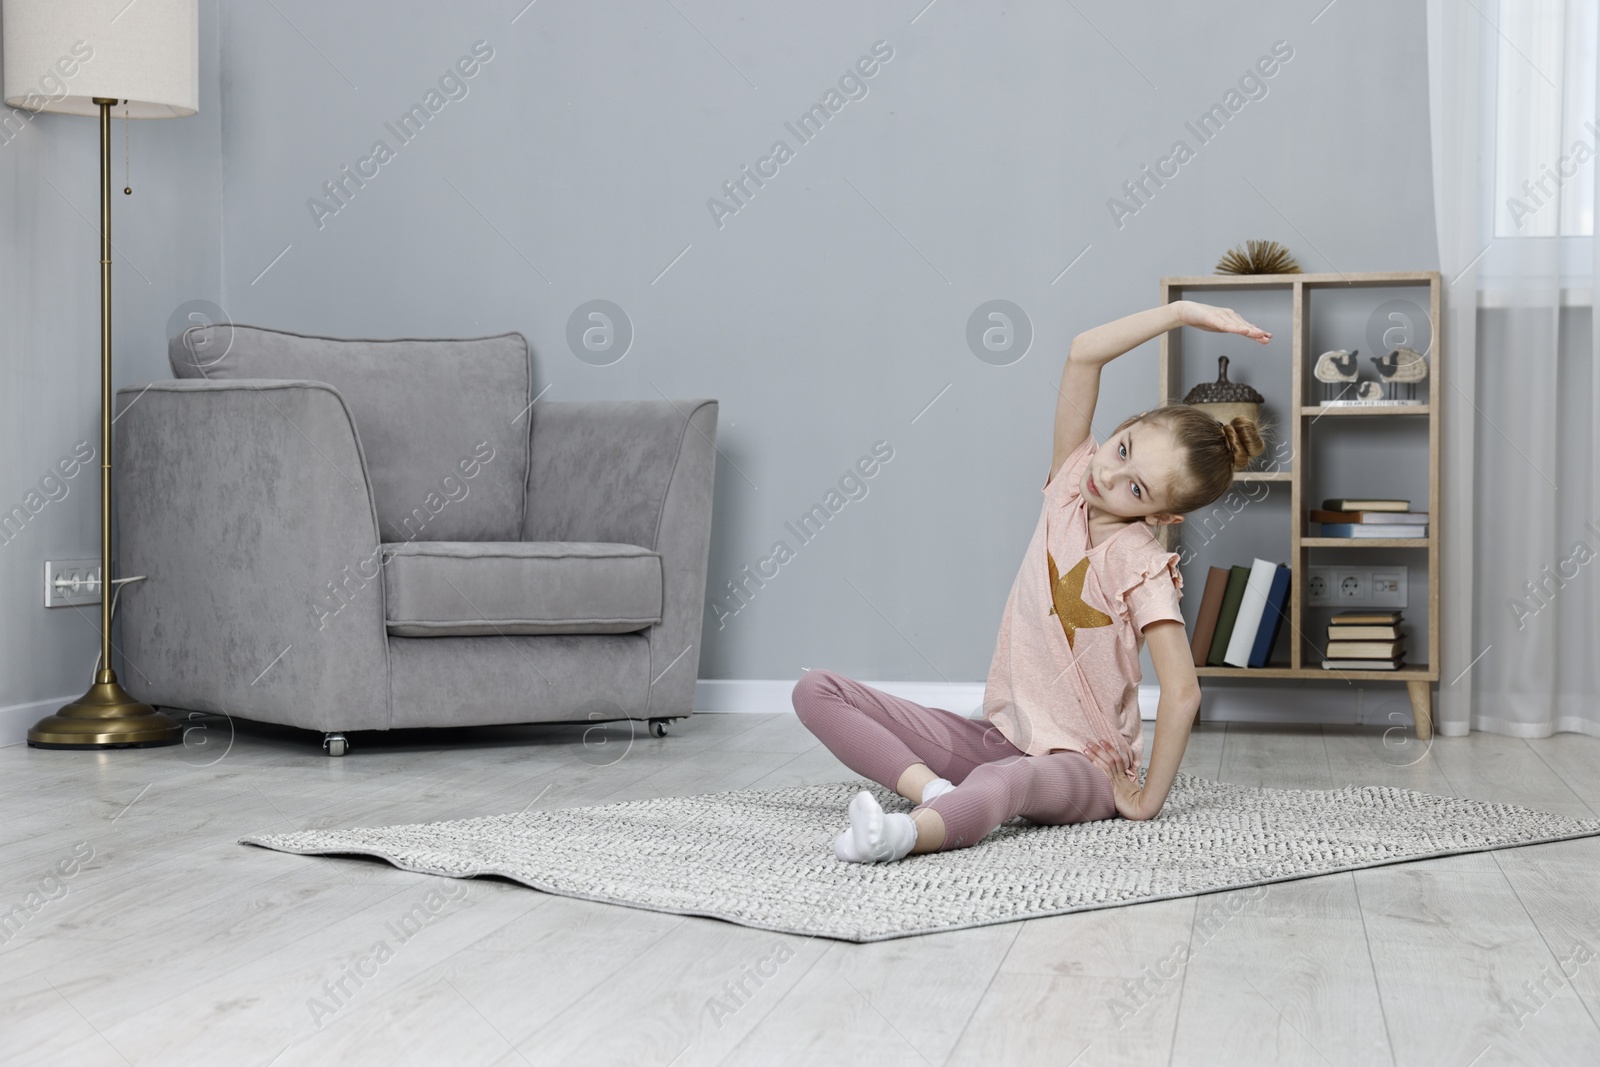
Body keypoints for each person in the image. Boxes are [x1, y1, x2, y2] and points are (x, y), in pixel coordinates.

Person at [793, 299, 1270, 862]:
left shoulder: (1142, 566)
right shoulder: (1070, 484)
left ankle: (905, 836)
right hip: (1000, 737)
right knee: (816, 691)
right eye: (1122, 449)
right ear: (1121, 429)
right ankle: (936, 794)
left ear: (1164, 517)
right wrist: (1182, 313)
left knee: (1007, 784)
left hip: (1082, 764)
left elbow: (1183, 692)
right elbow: (1083, 354)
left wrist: (1145, 801)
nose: (1108, 475)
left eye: (1136, 489)